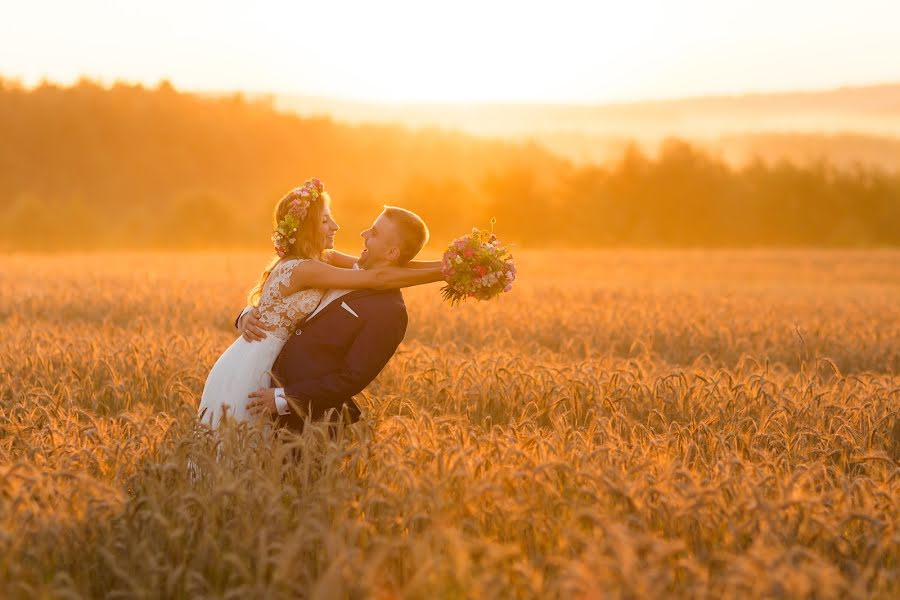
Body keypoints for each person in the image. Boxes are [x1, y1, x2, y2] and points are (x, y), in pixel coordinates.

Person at [197, 179, 442, 429]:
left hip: (276, 377)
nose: (336, 226)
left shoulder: (326, 260)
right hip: (255, 365)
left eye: (330, 218)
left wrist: (451, 265)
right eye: (325, 220)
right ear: (307, 228)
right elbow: (378, 275)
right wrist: (446, 271)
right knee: (236, 446)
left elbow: (388, 268)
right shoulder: (306, 269)